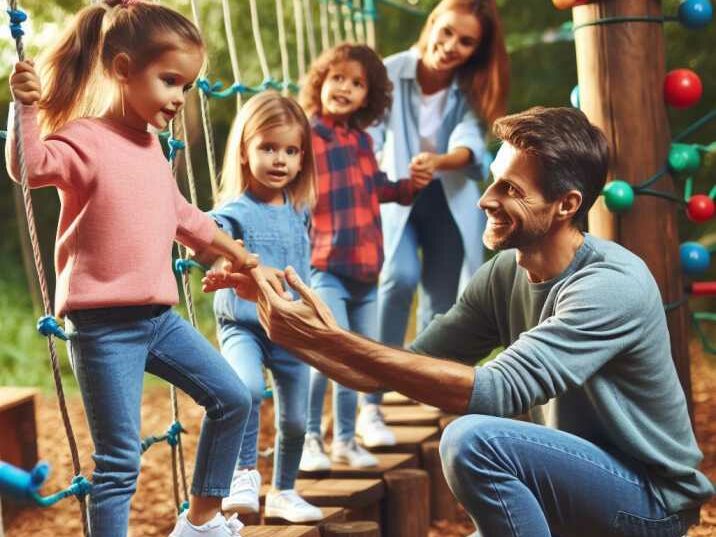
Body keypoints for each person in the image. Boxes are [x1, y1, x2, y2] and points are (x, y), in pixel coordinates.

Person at [240, 107, 715, 537]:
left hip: (648, 504)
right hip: (570, 485)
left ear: (565, 205)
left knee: (470, 438)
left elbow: (495, 391)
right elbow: (391, 369)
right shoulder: (506, 272)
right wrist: (296, 331)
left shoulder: (610, 285)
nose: (485, 199)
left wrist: (335, 342)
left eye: (510, 189)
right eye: (492, 180)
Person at [6, 2, 256, 536]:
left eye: (187, 87)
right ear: (122, 69)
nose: (178, 98)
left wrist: (233, 250)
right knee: (120, 462)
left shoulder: (151, 147)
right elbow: (31, 167)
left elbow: (182, 214)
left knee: (233, 398)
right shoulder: (86, 139)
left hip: (159, 320)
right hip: (103, 328)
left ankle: (202, 520)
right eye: (169, 81)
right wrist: (23, 108)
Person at [360, 0, 510, 442]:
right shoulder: (388, 72)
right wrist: (382, 169)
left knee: (440, 302)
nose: (450, 47)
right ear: (431, 25)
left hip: (448, 202)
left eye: (465, 42)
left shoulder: (470, 88)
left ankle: (428, 387)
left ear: (476, 51)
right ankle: (372, 399)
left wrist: (440, 160)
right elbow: (370, 131)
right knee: (398, 278)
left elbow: (471, 145)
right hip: (398, 199)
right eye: (446, 33)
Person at [295, 43, 433, 468]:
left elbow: (378, 188)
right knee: (328, 353)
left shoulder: (361, 140)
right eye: (337, 78)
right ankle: (311, 439)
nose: (345, 88)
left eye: (357, 84)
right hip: (324, 267)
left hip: (366, 272)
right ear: (320, 81)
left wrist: (409, 185)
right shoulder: (307, 135)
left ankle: (347, 440)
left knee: (361, 357)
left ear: (368, 98)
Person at [200, 92, 322, 523]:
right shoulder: (236, 211)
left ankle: (285, 490)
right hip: (243, 325)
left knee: (296, 420)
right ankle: (244, 472)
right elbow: (213, 237)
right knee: (246, 390)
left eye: (290, 150)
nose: (279, 160)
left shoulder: (298, 210)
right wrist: (217, 261)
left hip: (291, 328)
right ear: (245, 152)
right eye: (268, 148)